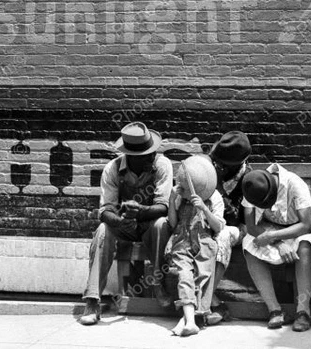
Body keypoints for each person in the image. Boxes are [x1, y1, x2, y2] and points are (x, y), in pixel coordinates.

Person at [79, 121, 172, 326]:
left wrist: (141, 211)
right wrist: (119, 221)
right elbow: (105, 211)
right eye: (145, 155)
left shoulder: (162, 165)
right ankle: (93, 300)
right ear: (131, 157)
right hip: (124, 228)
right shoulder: (112, 169)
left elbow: (164, 206)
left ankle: (158, 284)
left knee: (162, 224)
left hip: (149, 225)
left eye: (151, 152)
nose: (150, 157)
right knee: (103, 230)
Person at [241, 164, 311, 332]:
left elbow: (307, 225)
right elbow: (251, 226)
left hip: (296, 228)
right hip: (269, 229)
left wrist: (273, 237)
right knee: (249, 244)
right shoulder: (252, 185)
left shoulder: (294, 184)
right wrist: (277, 241)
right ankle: (274, 309)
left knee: (305, 245)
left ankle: (303, 311)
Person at [165, 155, 224, 337]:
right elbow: (173, 223)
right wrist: (172, 200)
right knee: (184, 274)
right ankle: (191, 320)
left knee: (203, 275)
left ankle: (186, 320)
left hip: (204, 240)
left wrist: (205, 210)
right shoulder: (179, 194)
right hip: (182, 239)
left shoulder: (214, 197)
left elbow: (219, 227)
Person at [205, 131, 252, 324]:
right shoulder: (210, 167)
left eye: (224, 163)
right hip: (210, 224)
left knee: (223, 235)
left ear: (239, 163)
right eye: (217, 161)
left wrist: (221, 190)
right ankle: (212, 301)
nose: (218, 165)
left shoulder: (249, 178)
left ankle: (204, 301)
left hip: (236, 228)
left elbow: (239, 217)